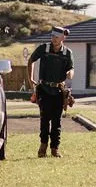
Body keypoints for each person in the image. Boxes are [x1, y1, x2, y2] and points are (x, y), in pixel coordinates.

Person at [28, 26, 74, 158]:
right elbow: (31, 60)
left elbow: (71, 68)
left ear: (63, 38)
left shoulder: (67, 53)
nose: (54, 39)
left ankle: (55, 148)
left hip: (59, 91)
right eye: (52, 36)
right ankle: (43, 146)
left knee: (56, 121)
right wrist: (30, 78)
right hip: (44, 90)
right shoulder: (44, 49)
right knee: (44, 119)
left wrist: (70, 73)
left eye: (57, 37)